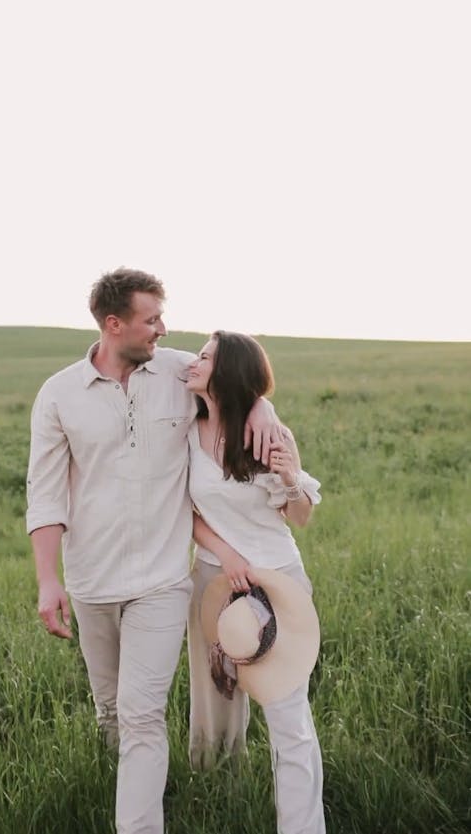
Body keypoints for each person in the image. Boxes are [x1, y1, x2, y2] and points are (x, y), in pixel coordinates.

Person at [26, 268, 282, 834]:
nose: (163, 330)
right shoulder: (59, 394)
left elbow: (237, 378)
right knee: (113, 712)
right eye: (151, 320)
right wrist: (49, 580)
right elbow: (44, 496)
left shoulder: (176, 371)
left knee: (143, 714)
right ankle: (125, 778)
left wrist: (259, 405)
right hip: (91, 580)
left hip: (163, 582)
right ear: (114, 325)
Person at [185, 330, 326, 834]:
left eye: (205, 356)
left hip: (278, 583)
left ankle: (303, 826)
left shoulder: (267, 433)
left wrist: (291, 478)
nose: (193, 360)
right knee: (218, 696)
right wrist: (226, 554)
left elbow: (301, 516)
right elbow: (186, 511)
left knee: (289, 716)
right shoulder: (186, 427)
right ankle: (213, 798)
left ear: (226, 374)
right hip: (217, 583)